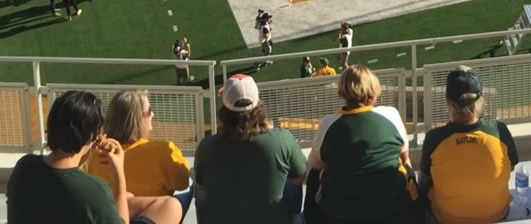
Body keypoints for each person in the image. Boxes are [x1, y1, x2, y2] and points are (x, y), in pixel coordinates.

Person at [7, 89, 182, 224]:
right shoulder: (93, 191)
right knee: (171, 206)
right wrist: (118, 173)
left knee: (129, 198)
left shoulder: (24, 167)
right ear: (92, 138)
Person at [307, 65, 418, 223]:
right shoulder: (391, 114)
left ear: (343, 90)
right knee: (406, 166)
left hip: (339, 214)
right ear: (373, 88)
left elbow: (316, 165)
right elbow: (404, 156)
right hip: (394, 210)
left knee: (314, 175)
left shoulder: (328, 123)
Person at [194, 74, 307, 224]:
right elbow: (299, 176)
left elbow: (202, 184)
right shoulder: (282, 139)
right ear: (258, 104)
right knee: (290, 181)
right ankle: (291, 217)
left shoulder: (207, 146)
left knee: (199, 190)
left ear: (225, 109)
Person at [418, 66, 516, 224]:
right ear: (482, 97)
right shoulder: (500, 131)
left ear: (448, 100)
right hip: (497, 216)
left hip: (445, 219)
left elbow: (425, 179)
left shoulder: (434, 138)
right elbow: (510, 166)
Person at [90, 90, 192, 211]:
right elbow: (182, 183)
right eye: (149, 111)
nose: (153, 114)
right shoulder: (162, 151)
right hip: (153, 217)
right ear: (137, 119)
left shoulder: (95, 153)